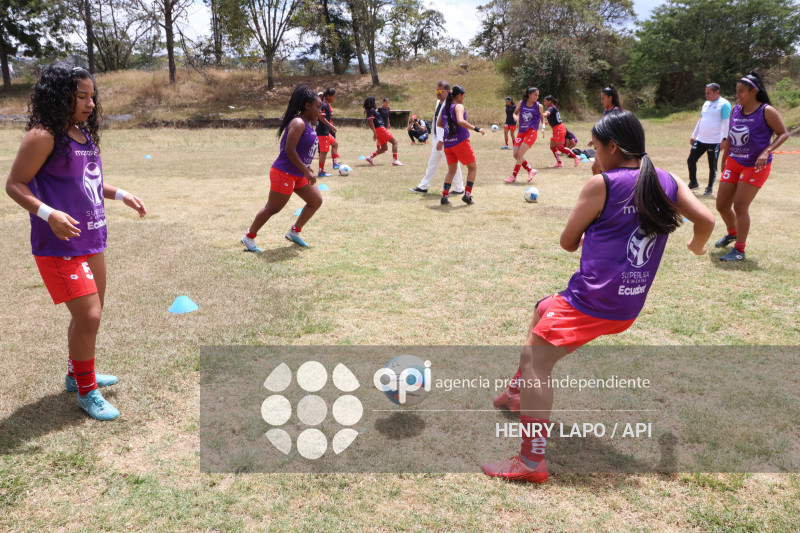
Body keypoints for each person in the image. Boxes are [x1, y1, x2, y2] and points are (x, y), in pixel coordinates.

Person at [483, 110, 715, 483]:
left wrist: (599, 187)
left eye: (595, 145)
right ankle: (515, 393)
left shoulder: (602, 185)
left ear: (613, 146)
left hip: (591, 303)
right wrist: (696, 247)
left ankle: (530, 463)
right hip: (627, 305)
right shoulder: (667, 179)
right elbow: (706, 221)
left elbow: (567, 243)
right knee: (543, 308)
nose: (590, 150)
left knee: (535, 363)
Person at [5, 63, 148, 421]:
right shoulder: (43, 134)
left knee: (90, 319)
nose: (90, 103)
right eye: (81, 96)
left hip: (92, 237)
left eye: (92, 96)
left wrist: (121, 194)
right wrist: (47, 214)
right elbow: (15, 185)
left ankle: (76, 374)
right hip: (58, 245)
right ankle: (87, 391)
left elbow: (88, 180)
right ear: (60, 95)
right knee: (89, 315)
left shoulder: (81, 133)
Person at [714, 71, 788, 262]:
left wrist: (767, 151)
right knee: (722, 205)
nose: (737, 95)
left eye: (741, 92)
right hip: (734, 162)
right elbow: (731, 136)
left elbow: (783, 134)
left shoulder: (766, 111)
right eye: (736, 91)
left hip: (755, 166)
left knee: (740, 206)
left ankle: (739, 250)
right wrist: (724, 160)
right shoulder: (735, 110)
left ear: (753, 91)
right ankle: (732, 233)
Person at [242, 85, 324, 251]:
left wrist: (307, 168)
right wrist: (305, 170)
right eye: (318, 107)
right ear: (307, 106)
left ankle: (294, 232)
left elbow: (303, 150)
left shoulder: (308, 124)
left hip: (299, 173)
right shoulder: (298, 122)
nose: (320, 111)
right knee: (274, 207)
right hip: (284, 172)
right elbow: (289, 150)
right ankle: (249, 237)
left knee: (315, 201)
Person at [409, 80, 464, 194]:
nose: (438, 93)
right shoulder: (438, 103)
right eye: (436, 90)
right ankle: (423, 186)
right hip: (436, 139)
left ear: (448, 92)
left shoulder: (450, 105)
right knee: (432, 164)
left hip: (445, 140)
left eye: (440, 91)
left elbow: (448, 124)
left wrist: (441, 140)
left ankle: (459, 188)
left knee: (452, 164)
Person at [438, 85, 484, 205]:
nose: (463, 98)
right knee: (472, 168)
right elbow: (460, 121)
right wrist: (477, 129)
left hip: (448, 144)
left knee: (451, 171)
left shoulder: (445, 108)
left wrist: (450, 128)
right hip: (460, 142)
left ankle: (444, 196)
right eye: (463, 96)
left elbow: (439, 123)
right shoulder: (458, 106)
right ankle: (467, 195)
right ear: (459, 96)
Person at [688, 83, 732, 196]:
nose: (706, 95)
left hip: (715, 140)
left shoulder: (724, 104)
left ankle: (709, 188)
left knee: (712, 165)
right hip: (701, 139)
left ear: (717, 92)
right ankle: (693, 183)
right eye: (705, 93)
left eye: (709, 93)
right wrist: (694, 135)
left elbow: (727, 122)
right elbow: (701, 120)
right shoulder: (706, 103)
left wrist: (724, 139)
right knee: (691, 160)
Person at [505, 87, 543, 183]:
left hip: (531, 132)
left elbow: (542, 117)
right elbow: (515, 113)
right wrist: (515, 116)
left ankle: (513, 176)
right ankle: (530, 170)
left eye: (538, 95)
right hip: (521, 132)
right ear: (529, 95)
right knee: (515, 154)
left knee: (520, 154)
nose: (537, 97)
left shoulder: (539, 106)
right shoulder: (522, 103)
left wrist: (543, 128)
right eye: (535, 95)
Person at [364, 96, 403, 166]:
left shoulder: (370, 110)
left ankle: (370, 157)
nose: (375, 102)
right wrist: (374, 132)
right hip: (380, 129)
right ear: (372, 102)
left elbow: (370, 122)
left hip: (379, 129)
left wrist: (375, 132)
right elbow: (370, 122)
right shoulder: (372, 110)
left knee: (384, 148)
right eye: (374, 101)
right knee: (395, 142)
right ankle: (395, 161)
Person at [543, 96, 580, 168]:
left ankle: (576, 157)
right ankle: (559, 163)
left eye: (545, 101)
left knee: (560, 147)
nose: (544, 103)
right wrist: (546, 123)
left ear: (550, 101)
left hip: (559, 129)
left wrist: (542, 115)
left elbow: (546, 114)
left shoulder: (551, 108)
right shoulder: (553, 107)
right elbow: (554, 119)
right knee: (552, 147)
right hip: (556, 129)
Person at [316, 88, 340, 177]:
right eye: (333, 96)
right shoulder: (324, 105)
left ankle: (335, 163)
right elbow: (322, 118)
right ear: (328, 96)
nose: (334, 98)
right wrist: (331, 126)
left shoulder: (326, 104)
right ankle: (321, 172)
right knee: (324, 152)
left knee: (335, 144)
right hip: (322, 132)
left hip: (325, 131)